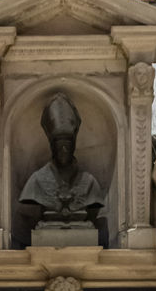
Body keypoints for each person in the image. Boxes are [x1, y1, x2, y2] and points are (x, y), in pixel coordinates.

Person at [17, 92, 104, 227]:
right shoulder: (37, 181)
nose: (64, 150)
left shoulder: (89, 183)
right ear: (52, 147)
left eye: (67, 145)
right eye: (60, 145)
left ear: (74, 146)